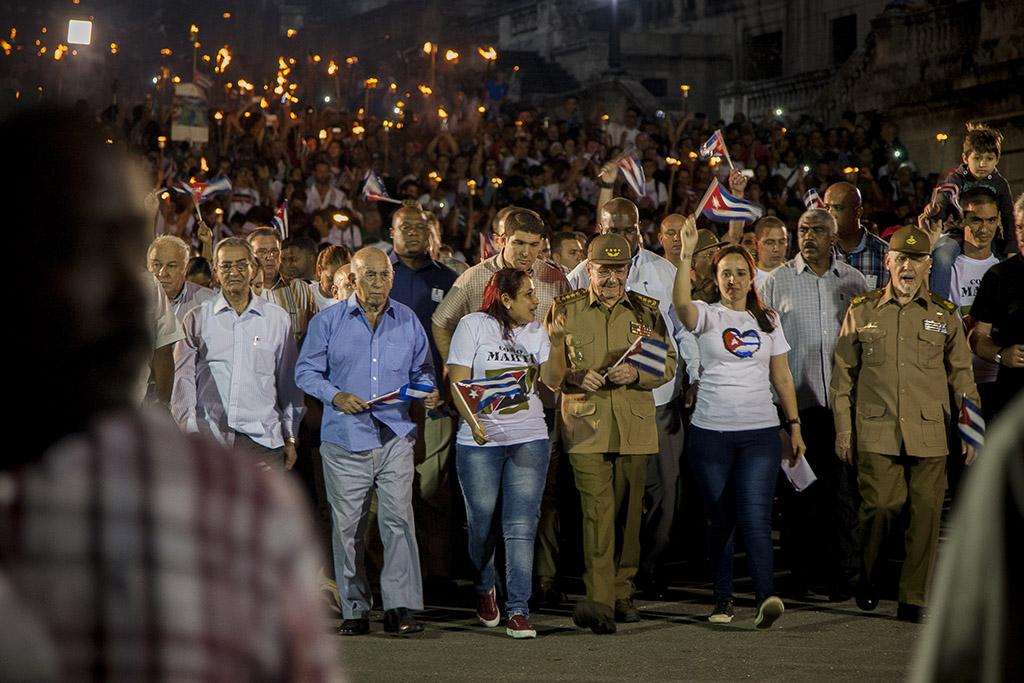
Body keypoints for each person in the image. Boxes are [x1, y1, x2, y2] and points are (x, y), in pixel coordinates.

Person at [2, 105, 339, 682]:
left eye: (120, 246)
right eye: (61, 246)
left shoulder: (241, 506)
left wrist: (282, 428)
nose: (109, 287)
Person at [831, 225, 980, 623]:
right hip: (877, 430)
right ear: (888, 262)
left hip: (930, 433)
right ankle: (871, 572)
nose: (908, 267)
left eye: (917, 260)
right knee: (881, 506)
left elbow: (962, 375)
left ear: (929, 265)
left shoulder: (943, 315)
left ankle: (914, 597)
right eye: (901, 259)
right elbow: (843, 373)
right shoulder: (862, 310)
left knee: (927, 514)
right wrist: (843, 428)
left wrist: (971, 429)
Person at [295, 247, 439, 637]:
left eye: (384, 276)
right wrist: (335, 395)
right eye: (369, 276)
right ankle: (355, 609)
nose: (378, 283)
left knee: (398, 521)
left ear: (392, 279)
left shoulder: (407, 320)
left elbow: (424, 370)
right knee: (347, 528)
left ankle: (400, 607)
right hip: (344, 437)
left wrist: (425, 390)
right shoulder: (328, 322)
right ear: (353, 280)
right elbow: (305, 371)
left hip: (393, 436)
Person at [673, 226, 806, 630]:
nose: (733, 280)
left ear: (752, 278)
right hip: (710, 432)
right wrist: (686, 255)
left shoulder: (767, 319)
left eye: (740, 273)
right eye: (726, 273)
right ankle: (723, 600)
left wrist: (795, 426)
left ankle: (766, 598)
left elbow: (781, 377)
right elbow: (680, 304)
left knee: (755, 516)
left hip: (760, 433)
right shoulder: (707, 314)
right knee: (720, 519)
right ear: (716, 279)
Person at [547, 234, 676, 634]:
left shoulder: (646, 311)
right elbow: (548, 373)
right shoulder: (565, 309)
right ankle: (601, 600)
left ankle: (623, 591)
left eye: (618, 270)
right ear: (589, 270)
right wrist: (571, 376)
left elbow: (668, 363)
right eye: (604, 270)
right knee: (597, 514)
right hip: (585, 428)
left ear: (628, 272)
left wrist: (638, 373)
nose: (611, 278)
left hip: (634, 427)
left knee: (628, 517)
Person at [567, 198, 696, 599]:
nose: (622, 237)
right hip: (596, 410)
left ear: (641, 229)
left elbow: (682, 331)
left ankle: (648, 571)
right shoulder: (578, 275)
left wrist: (695, 373)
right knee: (604, 503)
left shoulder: (663, 271)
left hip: (653, 403)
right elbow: (559, 337)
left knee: (662, 492)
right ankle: (606, 585)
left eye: (630, 229)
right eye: (613, 230)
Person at [447, 268, 565, 638]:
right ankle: (485, 586)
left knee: (520, 526)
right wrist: (473, 422)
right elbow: (457, 380)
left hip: (529, 437)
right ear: (506, 299)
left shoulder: (537, 330)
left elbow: (554, 381)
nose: (536, 301)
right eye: (529, 294)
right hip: (479, 442)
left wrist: (558, 341)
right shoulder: (472, 325)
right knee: (481, 525)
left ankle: (518, 610)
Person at [760, 209, 869, 599]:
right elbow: (765, 348)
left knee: (841, 494)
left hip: (840, 406)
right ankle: (802, 577)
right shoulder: (777, 282)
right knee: (798, 495)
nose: (808, 237)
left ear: (833, 236)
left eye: (818, 231)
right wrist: (779, 414)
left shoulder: (854, 282)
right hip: (796, 409)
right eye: (803, 230)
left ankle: (846, 576)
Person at [171, 237, 305, 470]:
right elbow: (183, 381)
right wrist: (190, 431)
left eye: (242, 265)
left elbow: (289, 385)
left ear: (253, 268)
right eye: (226, 266)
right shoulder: (196, 318)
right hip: (210, 440)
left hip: (263, 441)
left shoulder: (277, 319)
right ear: (216, 271)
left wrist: (290, 436)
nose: (235, 271)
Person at [387, 204, 460, 583]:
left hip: (434, 402)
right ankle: (387, 582)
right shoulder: (377, 276)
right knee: (386, 498)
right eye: (405, 226)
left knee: (433, 494)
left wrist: (448, 392)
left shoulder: (451, 280)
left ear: (431, 233)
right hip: (387, 406)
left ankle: (436, 578)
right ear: (391, 232)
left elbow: (462, 345)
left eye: (420, 227)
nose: (413, 232)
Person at [967, 194, 1024, 421]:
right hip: (1013, 400)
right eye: (1020, 227)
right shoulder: (998, 276)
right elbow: (976, 336)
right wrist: (1002, 355)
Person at [248, 227, 318, 343]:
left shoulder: (301, 289)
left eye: (274, 251)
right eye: (262, 251)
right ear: (250, 255)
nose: (269, 256)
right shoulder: (243, 292)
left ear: (281, 254)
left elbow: (316, 333)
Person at [824, 181, 890, 289]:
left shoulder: (885, 254)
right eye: (827, 208)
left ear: (858, 212)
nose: (831, 214)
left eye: (838, 208)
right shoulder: (821, 253)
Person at [148, 234, 215, 321]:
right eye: (157, 265)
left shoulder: (209, 303)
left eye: (171, 266)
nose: (162, 273)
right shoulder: (131, 301)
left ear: (185, 268)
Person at [750, 216, 789, 288]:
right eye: (770, 242)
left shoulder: (795, 276)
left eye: (781, 242)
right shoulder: (748, 279)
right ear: (756, 244)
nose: (776, 249)